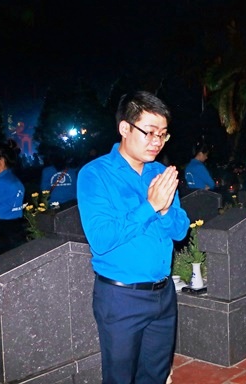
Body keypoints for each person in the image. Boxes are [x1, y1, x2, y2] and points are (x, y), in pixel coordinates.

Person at [77, 91, 190, 384]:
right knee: (120, 377)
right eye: (149, 132)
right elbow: (101, 238)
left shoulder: (160, 173)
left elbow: (180, 231)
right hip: (121, 298)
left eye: (163, 134)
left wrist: (164, 209)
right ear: (125, 128)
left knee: (155, 375)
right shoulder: (96, 174)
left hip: (163, 295)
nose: (157, 141)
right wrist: (150, 206)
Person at [0, 140, 27, 258]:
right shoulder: (13, 178)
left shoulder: (0, 183)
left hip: (2, 231)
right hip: (16, 227)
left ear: (1, 161)